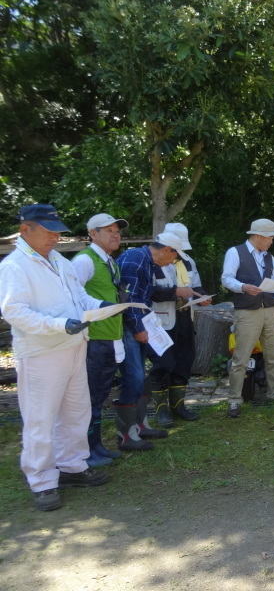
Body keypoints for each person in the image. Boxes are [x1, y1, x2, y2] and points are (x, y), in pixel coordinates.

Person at [0, 204, 109, 511]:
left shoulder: (59, 260)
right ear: (25, 230)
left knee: (76, 412)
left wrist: (102, 305)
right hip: (41, 353)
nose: (54, 238)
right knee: (40, 418)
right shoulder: (14, 266)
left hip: (74, 346)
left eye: (57, 233)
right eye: (48, 232)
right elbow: (14, 312)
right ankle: (42, 481)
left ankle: (73, 466)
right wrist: (59, 325)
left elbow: (78, 297)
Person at [116, 232, 190, 448]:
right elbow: (127, 299)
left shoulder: (145, 261)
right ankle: (126, 436)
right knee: (133, 376)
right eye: (175, 257)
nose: (173, 262)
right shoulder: (135, 259)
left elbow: (147, 294)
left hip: (141, 324)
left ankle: (140, 426)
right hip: (131, 327)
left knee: (138, 377)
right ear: (167, 249)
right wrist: (138, 327)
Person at [72, 213, 130, 466]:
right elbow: (73, 297)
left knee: (98, 397)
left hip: (110, 336)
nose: (115, 234)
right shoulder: (85, 260)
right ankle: (85, 451)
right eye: (108, 230)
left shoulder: (109, 261)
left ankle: (95, 446)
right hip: (94, 338)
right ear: (92, 234)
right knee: (89, 398)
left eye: (117, 230)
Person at [221, 219, 274, 417]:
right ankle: (234, 399)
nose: (272, 241)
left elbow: (273, 283)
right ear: (258, 236)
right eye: (270, 237)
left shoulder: (269, 257)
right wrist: (243, 287)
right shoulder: (235, 252)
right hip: (247, 312)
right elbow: (226, 279)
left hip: (269, 310)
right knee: (241, 357)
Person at [149, 222, 210, 427]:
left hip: (185, 317)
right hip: (161, 320)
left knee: (184, 360)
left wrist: (202, 296)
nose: (178, 252)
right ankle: (161, 410)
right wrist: (176, 293)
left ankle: (179, 406)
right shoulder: (153, 261)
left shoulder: (188, 261)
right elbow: (150, 292)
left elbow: (196, 285)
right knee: (163, 363)